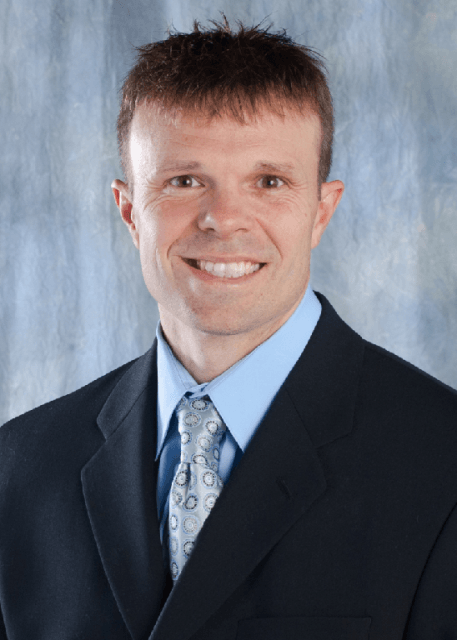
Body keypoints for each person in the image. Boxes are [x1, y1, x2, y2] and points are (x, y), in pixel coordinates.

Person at [1, 16, 457, 640]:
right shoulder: (21, 467)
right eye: (184, 181)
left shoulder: (442, 462)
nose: (223, 219)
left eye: (269, 182)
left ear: (321, 212)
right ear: (130, 212)